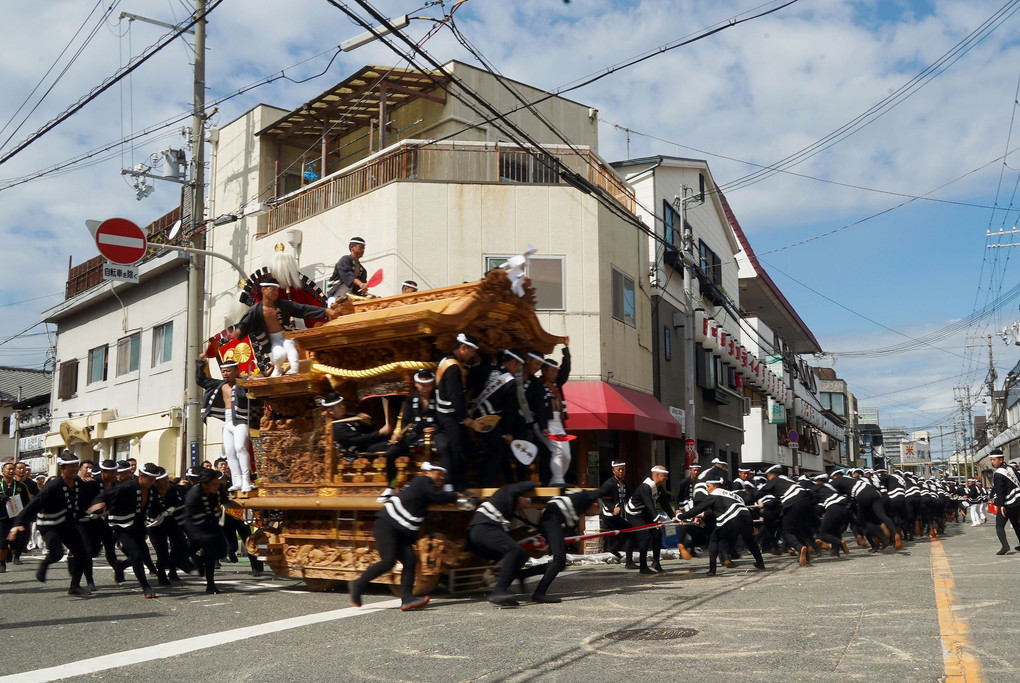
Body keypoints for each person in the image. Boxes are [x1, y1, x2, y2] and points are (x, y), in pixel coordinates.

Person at [350, 463, 461, 611]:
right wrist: (455, 495)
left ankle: (407, 599)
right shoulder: (423, 481)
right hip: (387, 525)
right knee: (388, 561)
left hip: (401, 531)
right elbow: (438, 497)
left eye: (443, 474)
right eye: (438, 472)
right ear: (427, 472)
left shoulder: (425, 487)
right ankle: (357, 584)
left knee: (410, 561)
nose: (441, 477)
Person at [8, 452, 90, 595]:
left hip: (66, 524)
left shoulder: (78, 483)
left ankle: (75, 586)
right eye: (70, 467)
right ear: (61, 469)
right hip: (49, 524)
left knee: (82, 553)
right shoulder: (53, 486)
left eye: (76, 466)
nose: (74, 469)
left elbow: (84, 501)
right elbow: (33, 505)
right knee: (57, 553)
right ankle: (45, 564)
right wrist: (18, 523)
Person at [519, 482, 613, 603]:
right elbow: (601, 491)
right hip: (552, 521)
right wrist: (611, 484)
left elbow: (568, 527)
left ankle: (523, 575)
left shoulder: (577, 502)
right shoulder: (586, 496)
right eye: (596, 510)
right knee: (559, 560)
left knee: (560, 564)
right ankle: (539, 594)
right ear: (595, 503)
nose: (593, 514)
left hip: (549, 521)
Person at [234, 276, 339, 376]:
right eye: (272, 289)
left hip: (286, 335)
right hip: (273, 341)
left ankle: (293, 371)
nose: (275, 292)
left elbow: (302, 309)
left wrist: (324, 310)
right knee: (280, 355)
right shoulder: (255, 311)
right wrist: (238, 331)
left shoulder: (283, 305)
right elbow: (245, 323)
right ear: (263, 290)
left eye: (277, 289)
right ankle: (278, 368)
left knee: (291, 351)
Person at [88, 462, 161, 598]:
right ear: (141, 476)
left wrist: (162, 513)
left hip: (138, 525)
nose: (152, 482)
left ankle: (121, 566)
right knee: (136, 555)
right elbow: (106, 495)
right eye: (150, 479)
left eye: (154, 479)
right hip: (121, 526)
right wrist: (97, 505)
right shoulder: (127, 487)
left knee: (143, 552)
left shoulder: (152, 489)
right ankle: (146, 586)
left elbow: (155, 506)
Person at [677, 477, 765, 576]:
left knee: (714, 539)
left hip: (733, 518)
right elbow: (720, 507)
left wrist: (680, 516)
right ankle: (760, 563)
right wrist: (705, 514)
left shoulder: (716, 492)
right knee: (749, 541)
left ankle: (712, 570)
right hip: (747, 518)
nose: (706, 489)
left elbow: (698, 508)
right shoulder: (732, 495)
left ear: (716, 486)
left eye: (708, 486)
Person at [467, 481, 537, 606]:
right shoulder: (506, 493)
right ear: (519, 495)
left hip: (484, 532)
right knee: (514, 550)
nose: (526, 505)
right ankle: (498, 591)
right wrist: (534, 483)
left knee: (521, 554)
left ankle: (520, 575)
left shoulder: (508, 508)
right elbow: (517, 486)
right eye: (526, 500)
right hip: (482, 529)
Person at [377, 371, 438, 501]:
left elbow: (444, 418)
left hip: (435, 435)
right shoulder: (411, 399)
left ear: (432, 384)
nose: (425, 388)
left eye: (427, 385)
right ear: (416, 384)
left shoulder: (438, 397)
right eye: (422, 384)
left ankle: (435, 488)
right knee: (390, 453)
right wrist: (399, 434)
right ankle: (391, 486)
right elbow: (405, 422)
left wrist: (435, 428)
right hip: (414, 436)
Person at [197, 358, 254, 492]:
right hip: (228, 422)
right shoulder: (219, 385)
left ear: (236, 371)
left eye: (228, 371)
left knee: (240, 447)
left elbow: (259, 377)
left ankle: (246, 480)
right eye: (223, 371)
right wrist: (200, 364)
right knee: (229, 453)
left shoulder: (243, 383)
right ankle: (237, 481)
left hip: (241, 420)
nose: (225, 374)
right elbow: (200, 380)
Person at [471, 349, 525, 486]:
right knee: (498, 451)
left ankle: (509, 482)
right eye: (518, 366)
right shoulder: (510, 382)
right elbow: (509, 410)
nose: (518, 369)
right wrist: (508, 432)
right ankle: (486, 485)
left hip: (472, 418)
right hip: (489, 422)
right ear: (513, 362)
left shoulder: (487, 369)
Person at [434, 332, 480, 493]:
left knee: (467, 447)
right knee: (458, 449)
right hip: (450, 415)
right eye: (472, 351)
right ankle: (455, 484)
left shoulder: (446, 361)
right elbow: (455, 395)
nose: (473, 355)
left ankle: (460, 482)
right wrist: (464, 417)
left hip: (447, 414)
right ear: (463, 347)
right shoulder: (453, 367)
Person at [184, 468, 230, 594]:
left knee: (222, 551)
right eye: (214, 484)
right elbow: (189, 518)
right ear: (204, 484)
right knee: (210, 553)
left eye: (218, 482)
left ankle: (198, 561)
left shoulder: (218, 488)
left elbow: (225, 501)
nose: (218, 485)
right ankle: (210, 585)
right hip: (196, 526)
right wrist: (199, 536)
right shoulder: (193, 495)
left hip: (212, 523)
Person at [623, 465, 675, 573]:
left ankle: (656, 562)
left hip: (645, 513)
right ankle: (643, 567)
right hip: (634, 514)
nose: (667, 478)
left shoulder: (659, 487)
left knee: (657, 533)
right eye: (664, 476)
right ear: (656, 475)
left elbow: (665, 504)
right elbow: (650, 505)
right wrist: (657, 520)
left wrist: (674, 517)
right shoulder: (646, 487)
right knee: (645, 535)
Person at [537, 346, 571, 486]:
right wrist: (543, 425)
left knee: (567, 455)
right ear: (544, 371)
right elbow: (539, 408)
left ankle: (556, 480)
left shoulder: (557, 384)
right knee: (557, 450)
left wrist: (566, 351)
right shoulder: (538, 385)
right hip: (547, 423)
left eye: (556, 371)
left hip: (558, 424)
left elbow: (566, 369)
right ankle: (557, 480)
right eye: (552, 371)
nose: (555, 374)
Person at [322, 393, 391, 456]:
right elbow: (357, 440)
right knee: (388, 446)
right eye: (339, 406)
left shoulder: (351, 416)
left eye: (343, 404)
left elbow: (367, 431)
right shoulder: (337, 427)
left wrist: (367, 423)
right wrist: (379, 433)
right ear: (331, 411)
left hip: (368, 445)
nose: (343, 407)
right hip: (357, 452)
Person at [990, 450, 1020, 555]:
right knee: (1016, 523)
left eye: (994, 460)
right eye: (991, 460)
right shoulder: (1011, 468)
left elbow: (1000, 491)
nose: (992, 462)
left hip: (1008, 503)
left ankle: (1005, 546)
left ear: (1001, 459)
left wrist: (1001, 505)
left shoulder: (998, 474)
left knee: (999, 525)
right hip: (1018, 500)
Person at [0, 462, 27, 573]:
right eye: (9, 469)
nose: (11, 471)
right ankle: (2, 563)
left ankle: (15, 556)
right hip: (2, 518)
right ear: (3, 471)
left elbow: (27, 502)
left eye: (13, 469)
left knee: (17, 541)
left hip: (16, 518)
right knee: (2, 543)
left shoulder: (21, 486)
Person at [600, 461, 630, 559]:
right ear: (614, 471)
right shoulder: (610, 483)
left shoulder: (624, 483)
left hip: (619, 514)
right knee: (626, 529)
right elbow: (605, 500)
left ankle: (614, 548)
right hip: (609, 515)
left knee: (628, 529)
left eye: (623, 469)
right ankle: (613, 547)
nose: (621, 471)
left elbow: (629, 497)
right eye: (619, 469)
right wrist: (613, 508)